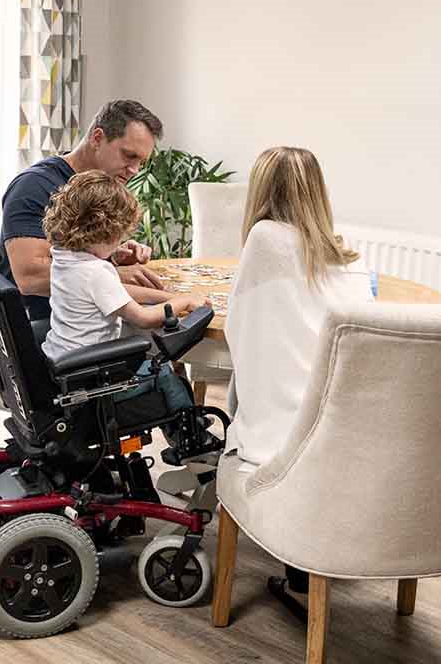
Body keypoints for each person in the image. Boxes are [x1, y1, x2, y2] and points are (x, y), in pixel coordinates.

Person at [224, 146, 374, 600]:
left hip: (282, 435)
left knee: (240, 393)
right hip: (344, 433)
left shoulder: (264, 239)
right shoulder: (346, 254)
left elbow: (239, 324)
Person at [40, 170, 207, 417]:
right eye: (118, 236)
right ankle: (191, 434)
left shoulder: (63, 258)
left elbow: (112, 294)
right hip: (94, 379)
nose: (120, 242)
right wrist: (184, 301)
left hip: (63, 369)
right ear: (103, 231)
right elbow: (143, 319)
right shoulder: (96, 271)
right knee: (161, 372)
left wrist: (167, 298)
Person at [0, 99, 169, 319]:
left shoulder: (100, 189)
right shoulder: (33, 186)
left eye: (141, 162)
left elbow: (67, 258)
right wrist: (111, 275)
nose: (135, 170)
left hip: (82, 318)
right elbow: (29, 278)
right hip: (48, 330)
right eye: (129, 156)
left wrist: (112, 256)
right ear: (97, 138)